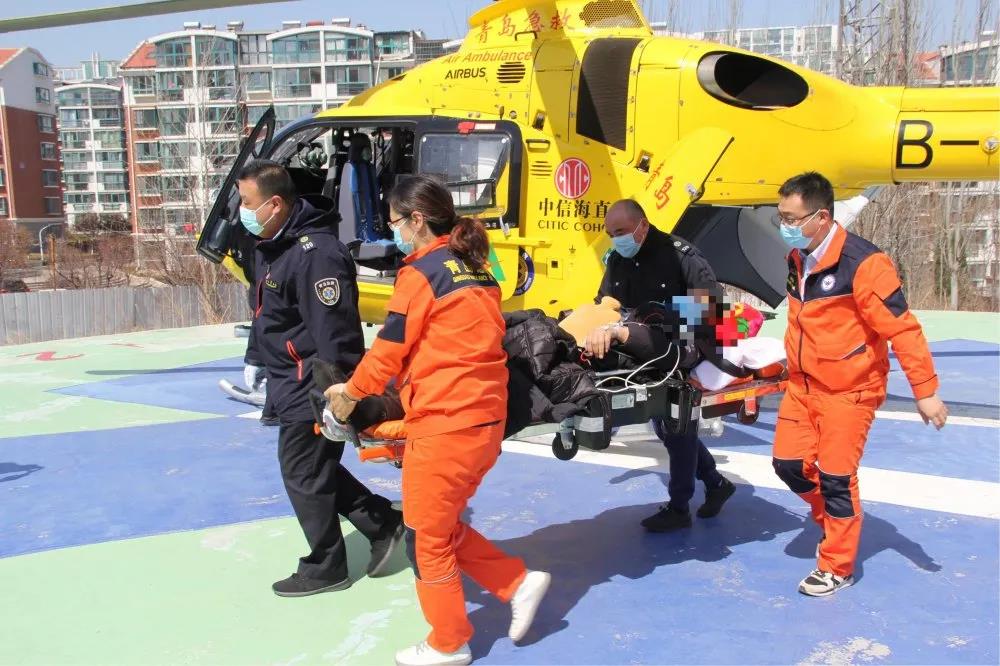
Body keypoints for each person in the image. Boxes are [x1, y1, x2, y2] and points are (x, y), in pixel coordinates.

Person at [326, 175, 550, 666]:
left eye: (394, 222)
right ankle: (515, 582)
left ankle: (448, 643)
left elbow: (389, 349)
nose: (393, 232)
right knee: (440, 525)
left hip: (446, 422)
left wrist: (351, 394)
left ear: (416, 219)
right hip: (484, 421)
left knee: (425, 539)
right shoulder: (478, 269)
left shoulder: (421, 274)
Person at [772, 171, 948, 597]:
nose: (785, 226)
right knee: (789, 465)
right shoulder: (797, 258)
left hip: (849, 392)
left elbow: (903, 329)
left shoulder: (865, 264)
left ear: (821, 217)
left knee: (836, 478)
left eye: (792, 219)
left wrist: (925, 391)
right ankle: (834, 522)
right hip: (803, 387)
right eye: (781, 217)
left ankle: (836, 565)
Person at [238, 159, 403, 597]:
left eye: (248, 203)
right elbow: (266, 313)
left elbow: (337, 334)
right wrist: (255, 356)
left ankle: (326, 566)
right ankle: (383, 523)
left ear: (275, 204)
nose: (243, 211)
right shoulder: (271, 245)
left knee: (301, 471)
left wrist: (340, 395)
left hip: (311, 383)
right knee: (313, 467)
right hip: (285, 378)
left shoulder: (317, 254)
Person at [583, 199, 736, 532]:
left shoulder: (680, 256)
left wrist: (660, 323)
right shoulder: (617, 261)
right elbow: (605, 303)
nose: (616, 239)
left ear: (642, 225)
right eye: (611, 233)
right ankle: (715, 482)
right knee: (664, 426)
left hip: (685, 347)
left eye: (621, 231)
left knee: (677, 425)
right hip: (641, 351)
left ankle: (679, 506)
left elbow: (712, 309)